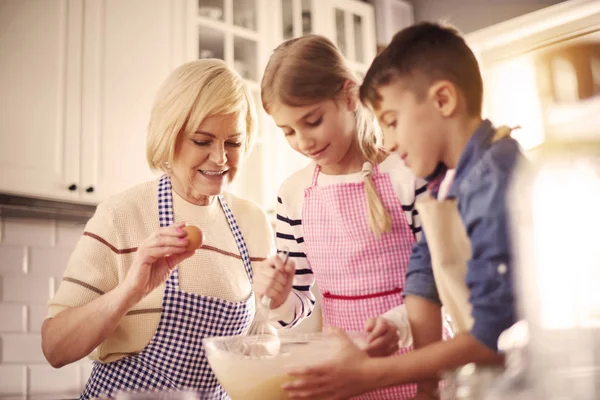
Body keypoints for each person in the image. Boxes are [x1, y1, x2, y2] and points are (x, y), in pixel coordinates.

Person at [281, 22, 521, 400]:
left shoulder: (492, 178)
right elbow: (423, 281)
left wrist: (371, 374)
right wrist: (426, 390)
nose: (389, 141)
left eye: (392, 121)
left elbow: (495, 336)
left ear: (443, 100)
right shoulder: (449, 183)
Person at [41, 59, 275, 400]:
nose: (220, 158)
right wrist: (131, 290)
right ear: (170, 136)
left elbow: (260, 337)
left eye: (234, 143)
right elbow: (54, 348)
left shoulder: (252, 222)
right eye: (202, 140)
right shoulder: (122, 214)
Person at [254, 34, 429, 399]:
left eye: (313, 121)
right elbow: (297, 310)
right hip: (343, 380)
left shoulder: (408, 174)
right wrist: (281, 296)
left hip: (418, 370)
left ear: (350, 96)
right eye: (287, 131)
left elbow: (445, 284)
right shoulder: (293, 194)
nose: (303, 142)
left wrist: (399, 325)